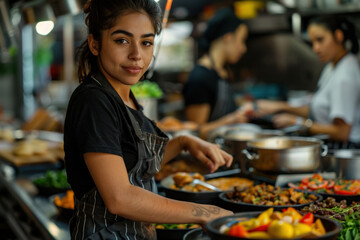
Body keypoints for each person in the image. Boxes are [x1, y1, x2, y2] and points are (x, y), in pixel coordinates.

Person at [63, 0, 233, 239]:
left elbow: (134, 165)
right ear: (95, 43)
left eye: (146, 42)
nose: (136, 55)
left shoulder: (125, 97)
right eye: (122, 40)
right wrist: (204, 211)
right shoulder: (94, 101)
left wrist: (184, 142)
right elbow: (119, 198)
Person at [251, 15, 360, 147]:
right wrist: (278, 107)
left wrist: (298, 123)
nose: (316, 49)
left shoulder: (345, 75)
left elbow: (342, 132)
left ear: (338, 36)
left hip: (344, 150)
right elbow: (318, 109)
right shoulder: (333, 66)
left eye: (320, 40)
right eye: (312, 42)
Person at [182, 7, 250, 139]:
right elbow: (195, 133)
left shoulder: (223, 72)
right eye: (241, 41)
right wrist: (231, 120)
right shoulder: (200, 78)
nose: (243, 49)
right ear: (228, 37)